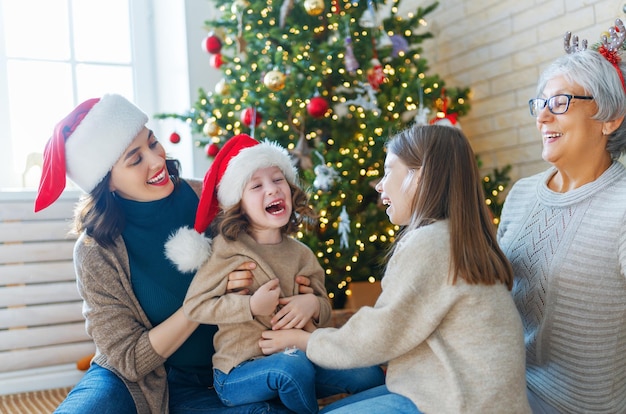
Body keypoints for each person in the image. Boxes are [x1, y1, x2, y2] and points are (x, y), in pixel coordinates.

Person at [35, 94, 312, 414]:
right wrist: (205, 300)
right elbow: (129, 360)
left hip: (227, 374)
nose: (156, 160)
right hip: (135, 380)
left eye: (152, 143)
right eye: (135, 159)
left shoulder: (213, 199)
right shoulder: (95, 251)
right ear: (106, 182)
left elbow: (280, 258)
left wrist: (309, 301)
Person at [258, 124, 532, 414]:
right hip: (469, 397)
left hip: (459, 403)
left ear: (420, 176)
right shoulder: (458, 238)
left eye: (389, 171)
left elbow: (380, 334)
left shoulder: (431, 244)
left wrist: (305, 340)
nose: (380, 184)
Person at [164, 134, 385, 413]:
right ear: (239, 204)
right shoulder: (227, 249)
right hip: (239, 373)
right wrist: (251, 306)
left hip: (301, 358)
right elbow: (196, 306)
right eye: (256, 185)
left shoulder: (301, 253)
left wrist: (314, 305)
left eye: (278, 179)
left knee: (369, 374)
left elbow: (325, 307)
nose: (272, 190)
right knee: (292, 368)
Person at [497, 19, 626, 414]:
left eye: (560, 104)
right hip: (498, 384)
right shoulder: (520, 195)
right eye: (540, 104)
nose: (543, 118)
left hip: (571, 406)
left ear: (610, 118)